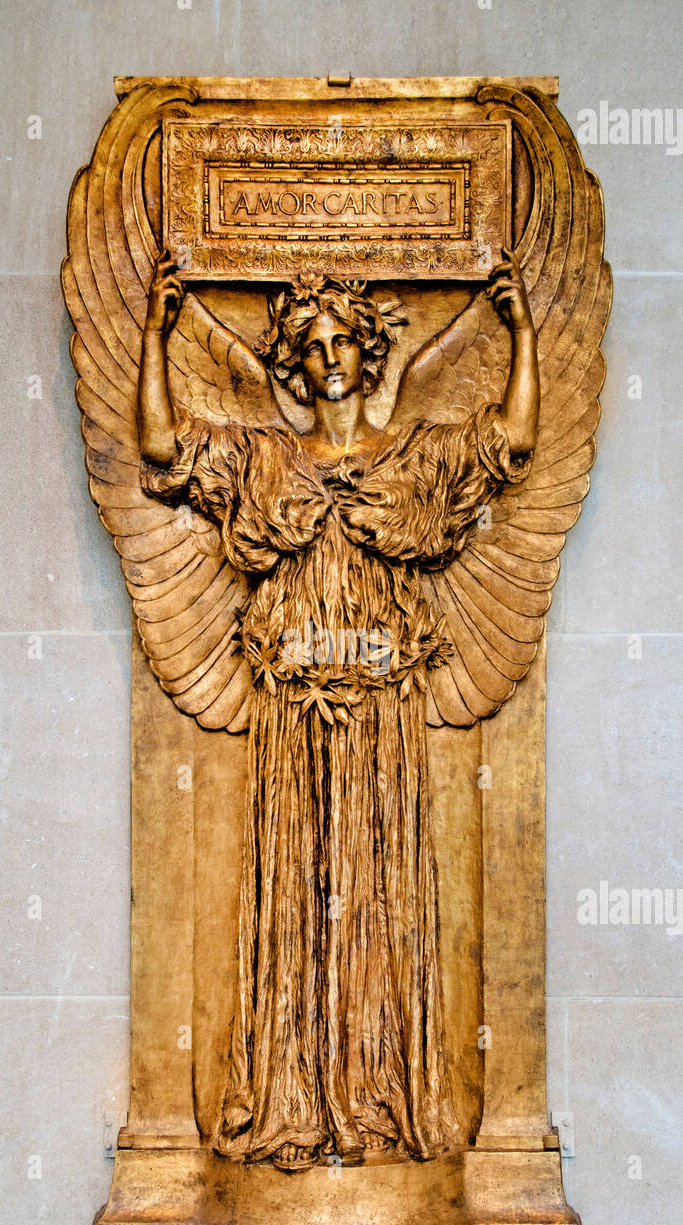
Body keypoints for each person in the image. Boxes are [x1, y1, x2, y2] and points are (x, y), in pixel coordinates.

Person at [137, 254, 539, 1171]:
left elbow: (511, 443)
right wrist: (156, 333)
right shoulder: (265, 460)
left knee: (376, 899)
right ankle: (294, 1102)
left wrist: (520, 332)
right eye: (309, 345)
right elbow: (160, 448)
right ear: (292, 360)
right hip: (292, 716)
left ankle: (380, 1103)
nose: (326, 358)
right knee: (295, 897)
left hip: (383, 716)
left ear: (366, 355)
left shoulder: (413, 460)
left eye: (340, 344)